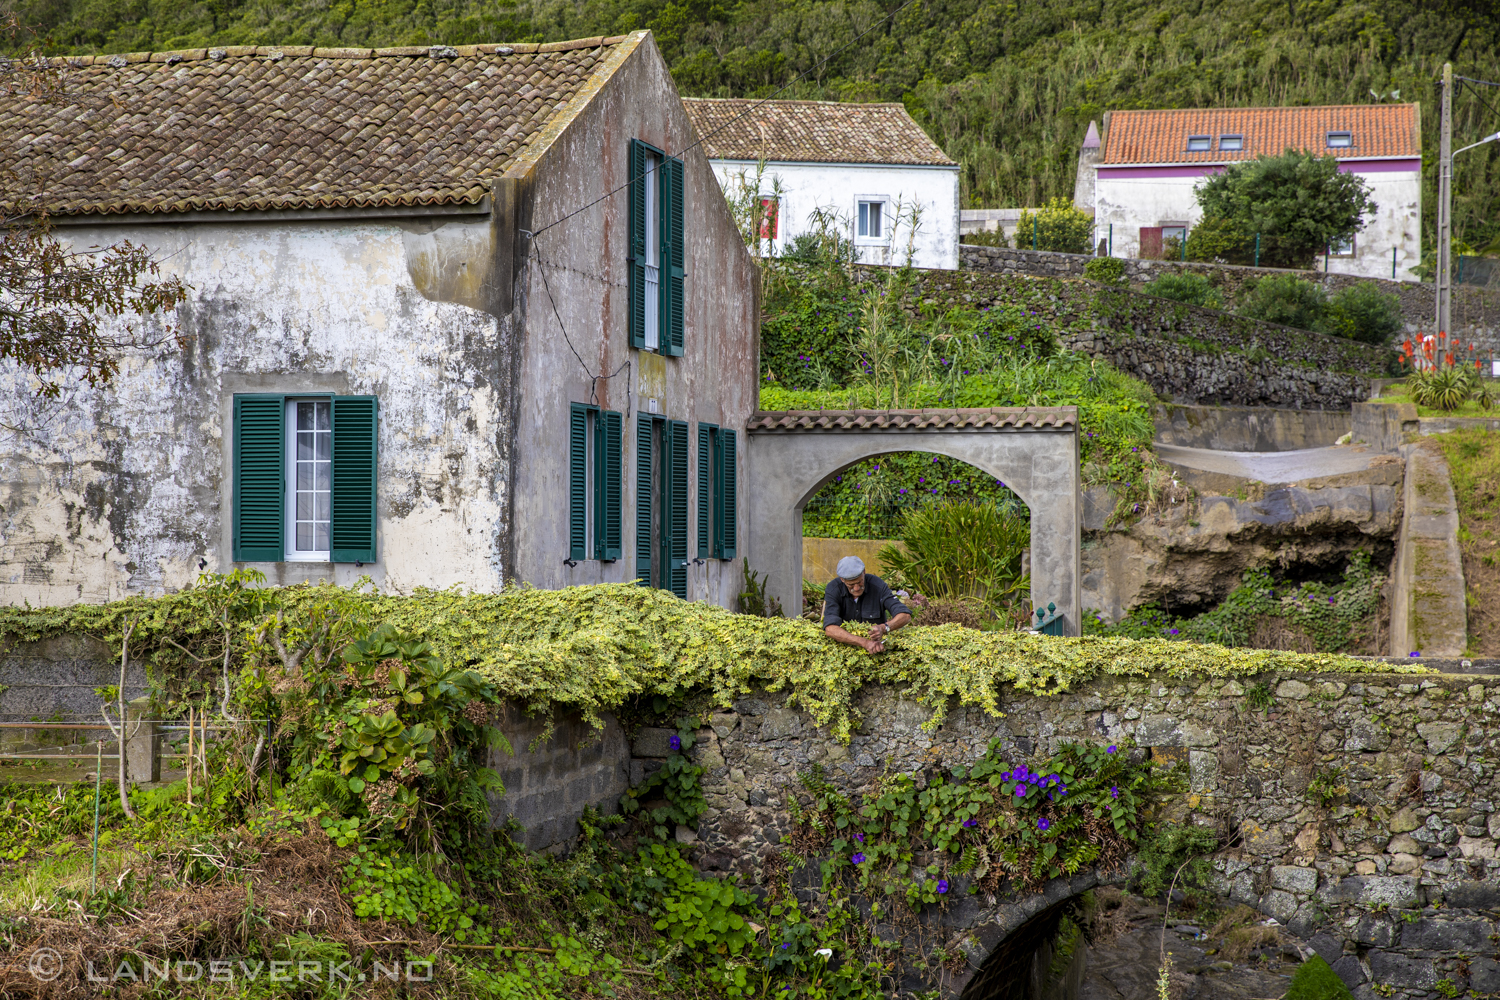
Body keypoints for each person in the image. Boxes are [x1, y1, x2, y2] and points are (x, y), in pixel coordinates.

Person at [823, 556, 912, 654]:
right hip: (845, 651)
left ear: (864, 572)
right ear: (842, 580)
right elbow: (830, 629)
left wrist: (884, 628)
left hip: (878, 649)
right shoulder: (833, 589)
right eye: (851, 585)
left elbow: (905, 615)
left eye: (860, 582)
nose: (856, 588)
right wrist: (864, 643)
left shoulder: (878, 585)